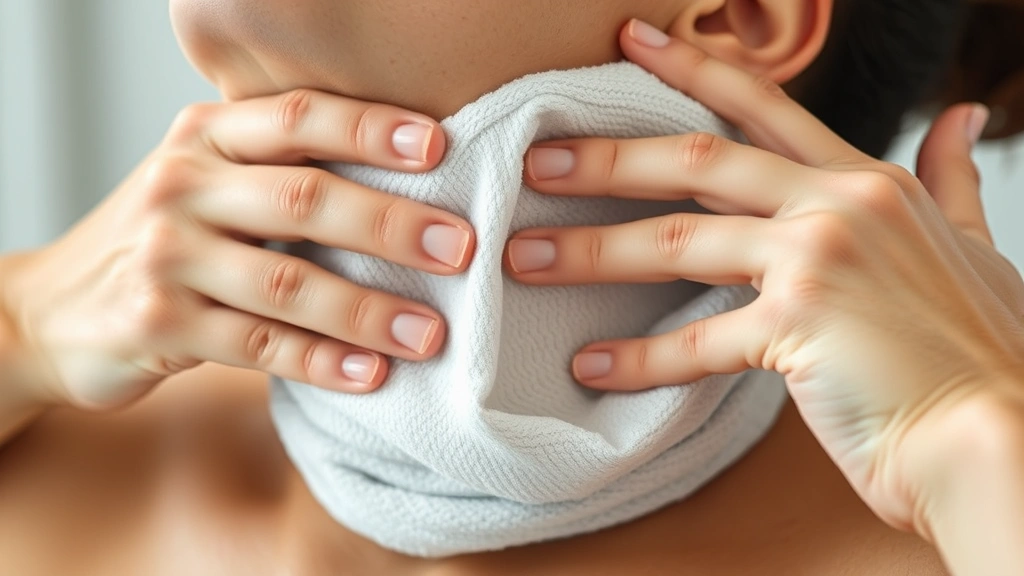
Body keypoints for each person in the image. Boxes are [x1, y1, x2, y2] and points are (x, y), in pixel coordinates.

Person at [0, 0, 1021, 573]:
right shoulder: (53, 405)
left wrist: (972, 432)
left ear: (734, 16)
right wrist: (18, 332)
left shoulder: (958, 525)